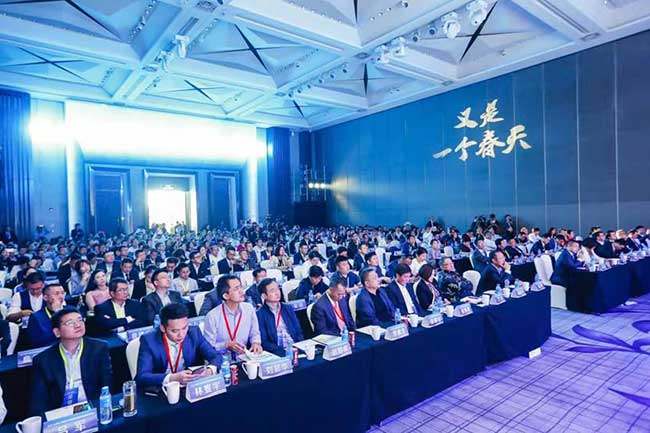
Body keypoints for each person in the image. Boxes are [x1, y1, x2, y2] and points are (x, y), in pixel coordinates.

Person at [30, 307, 112, 415]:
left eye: (80, 320)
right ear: (57, 332)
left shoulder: (99, 348)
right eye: (70, 323)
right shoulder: (43, 360)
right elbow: (38, 400)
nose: (78, 325)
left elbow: (107, 385)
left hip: (92, 407)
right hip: (60, 413)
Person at [135, 303, 221, 389]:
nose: (181, 334)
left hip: (189, 387)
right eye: (175, 331)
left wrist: (210, 370)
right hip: (162, 389)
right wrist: (172, 378)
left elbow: (215, 356)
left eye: (184, 328)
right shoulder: (149, 341)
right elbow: (142, 376)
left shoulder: (194, 333)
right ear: (163, 328)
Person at [203, 275, 262, 356]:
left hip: (245, 356)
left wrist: (256, 343)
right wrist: (225, 345)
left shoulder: (249, 308)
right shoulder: (212, 316)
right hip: (222, 358)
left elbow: (255, 333)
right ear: (226, 296)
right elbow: (208, 346)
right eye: (236, 289)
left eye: (241, 287)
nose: (241, 291)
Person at [256, 278, 304, 356]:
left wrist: (299, 346)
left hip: (295, 348)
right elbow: (264, 342)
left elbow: (298, 331)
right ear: (264, 295)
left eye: (278, 289)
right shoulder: (260, 314)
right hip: (277, 352)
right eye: (272, 290)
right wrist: (282, 352)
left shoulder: (288, 308)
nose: (277, 293)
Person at [26, 283, 66, 348]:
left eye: (62, 293)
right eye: (57, 294)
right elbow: (35, 342)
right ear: (45, 297)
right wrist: (57, 315)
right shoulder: (36, 317)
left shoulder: (71, 311)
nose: (61, 296)